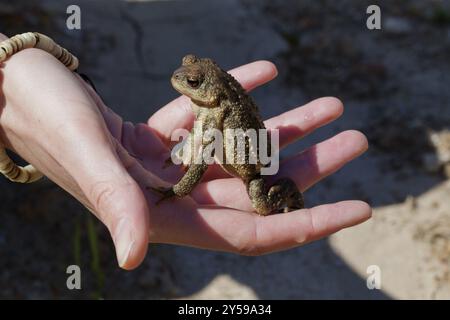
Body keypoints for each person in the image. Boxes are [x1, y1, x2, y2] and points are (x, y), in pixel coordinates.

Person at [0, 33, 371, 270]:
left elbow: (200, 161)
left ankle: (285, 192)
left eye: (192, 81)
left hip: (251, 165)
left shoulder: (216, 110)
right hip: (241, 138)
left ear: (209, 90)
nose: (181, 79)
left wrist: (176, 190)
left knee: (259, 200)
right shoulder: (208, 108)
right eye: (188, 71)